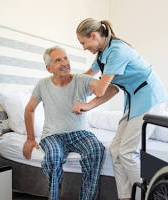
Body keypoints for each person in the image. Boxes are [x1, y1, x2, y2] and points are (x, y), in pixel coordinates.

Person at [73, 18, 168, 200]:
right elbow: (90, 78)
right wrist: (68, 83)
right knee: (115, 150)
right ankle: (126, 196)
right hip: (135, 101)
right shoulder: (102, 54)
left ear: (93, 36)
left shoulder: (117, 51)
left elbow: (102, 89)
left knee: (127, 152)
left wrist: (88, 102)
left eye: (83, 42)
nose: (83, 47)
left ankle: (150, 195)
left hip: (149, 98)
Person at [22, 46, 118, 200]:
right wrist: (30, 138)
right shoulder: (42, 85)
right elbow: (30, 109)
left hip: (80, 134)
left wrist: (89, 105)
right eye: (58, 60)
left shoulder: (82, 80)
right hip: (53, 135)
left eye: (66, 58)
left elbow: (112, 89)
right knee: (53, 156)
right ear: (49, 68)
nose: (64, 62)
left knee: (96, 150)